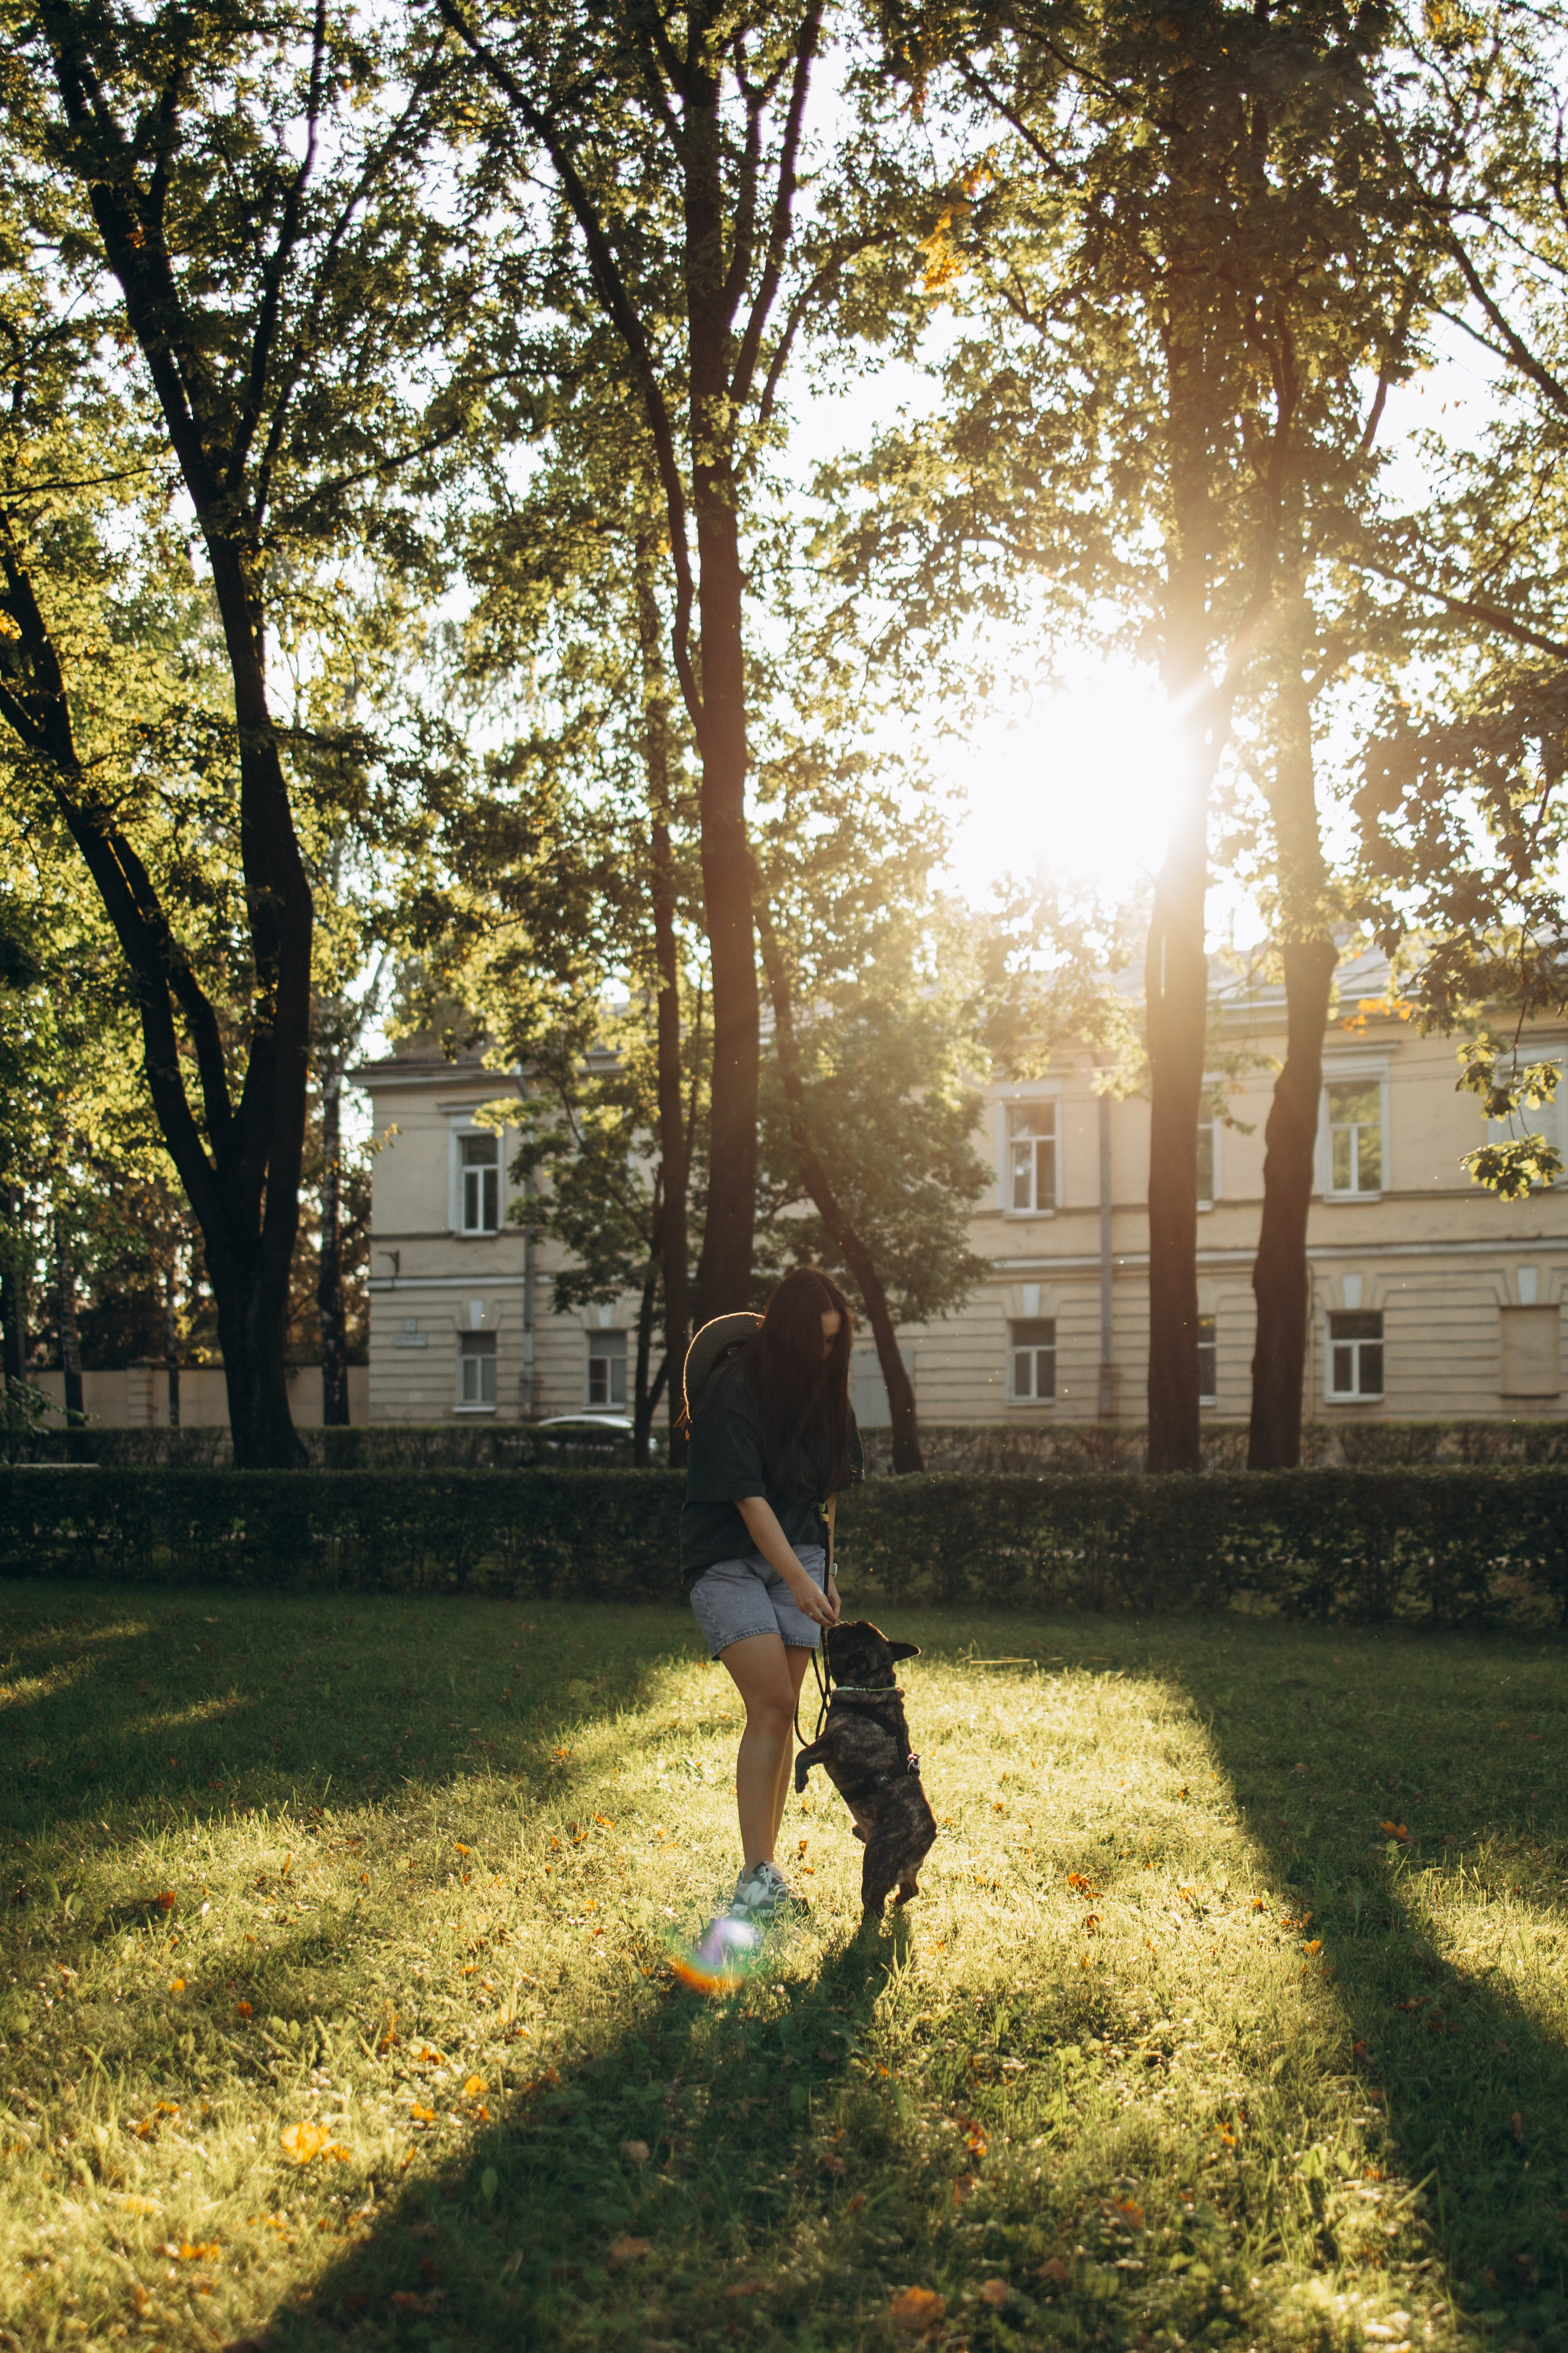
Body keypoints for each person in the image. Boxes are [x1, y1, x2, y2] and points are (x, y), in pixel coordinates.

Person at [680, 1266, 862, 1924]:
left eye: (834, 1341)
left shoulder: (826, 1391)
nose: (825, 1353)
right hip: (727, 1560)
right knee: (774, 1702)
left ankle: (764, 1870)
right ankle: (756, 1876)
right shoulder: (735, 1387)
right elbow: (751, 1505)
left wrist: (827, 1571)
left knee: (780, 1714)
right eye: (817, 1340)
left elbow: (829, 1493)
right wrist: (802, 1581)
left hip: (802, 1555)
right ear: (786, 1334)